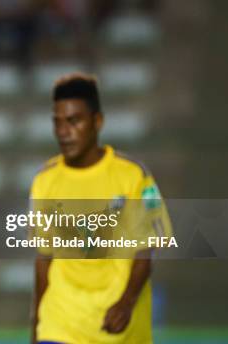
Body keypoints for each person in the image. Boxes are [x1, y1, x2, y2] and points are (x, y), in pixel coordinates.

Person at [29, 73, 171, 344]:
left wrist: (127, 302)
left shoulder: (133, 176)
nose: (63, 131)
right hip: (60, 325)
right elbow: (43, 259)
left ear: (97, 122)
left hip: (117, 328)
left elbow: (148, 246)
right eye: (57, 122)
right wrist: (36, 326)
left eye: (73, 121)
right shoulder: (44, 180)